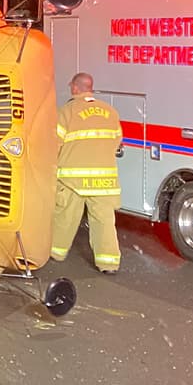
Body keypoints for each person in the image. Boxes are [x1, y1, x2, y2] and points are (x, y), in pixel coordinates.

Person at [51, 72, 123, 274]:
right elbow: (117, 141)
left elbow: (54, 143)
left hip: (73, 179)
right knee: (104, 222)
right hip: (104, 180)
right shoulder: (110, 111)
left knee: (65, 217)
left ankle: (57, 253)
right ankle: (108, 263)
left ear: (75, 88)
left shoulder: (67, 112)